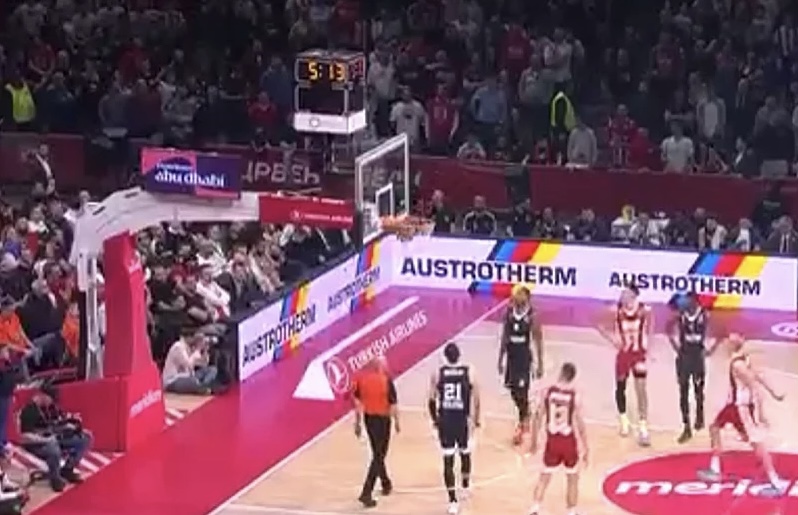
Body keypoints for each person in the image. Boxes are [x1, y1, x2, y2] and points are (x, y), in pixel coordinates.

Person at [697, 333, 787, 497]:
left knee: (757, 443)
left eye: (732, 338)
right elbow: (758, 376)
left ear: (738, 342)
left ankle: (776, 482)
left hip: (741, 407)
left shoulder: (738, 364)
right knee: (714, 427)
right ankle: (715, 468)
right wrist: (774, 392)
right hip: (732, 406)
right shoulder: (743, 359)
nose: (728, 340)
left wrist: (762, 413)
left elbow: (755, 386)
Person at [428, 342, 481, 515]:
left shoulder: (438, 373)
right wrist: (476, 420)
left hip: (446, 421)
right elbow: (476, 400)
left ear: (445, 357)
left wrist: (436, 420)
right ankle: (465, 486)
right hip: (462, 421)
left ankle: (452, 501)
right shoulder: (469, 372)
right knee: (465, 454)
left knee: (448, 460)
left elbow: (431, 400)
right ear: (459, 356)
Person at [529, 362, 587, 515]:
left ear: (561, 373)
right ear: (572, 378)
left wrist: (533, 441)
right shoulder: (574, 395)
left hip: (552, 440)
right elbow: (580, 424)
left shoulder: (548, 392)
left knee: (544, 477)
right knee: (572, 478)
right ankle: (571, 511)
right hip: (568, 441)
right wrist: (586, 447)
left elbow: (537, 417)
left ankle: (535, 508)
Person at [598, 284, 651, 446]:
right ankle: (624, 420)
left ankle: (643, 427)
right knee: (620, 387)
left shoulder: (644, 310)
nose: (622, 295)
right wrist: (612, 340)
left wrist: (648, 345)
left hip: (638, 353)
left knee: (641, 389)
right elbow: (599, 324)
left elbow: (651, 328)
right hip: (623, 354)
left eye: (626, 293)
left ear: (634, 295)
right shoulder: (616, 311)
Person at [19, 382, 92, 492]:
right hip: (37, 443)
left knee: (85, 438)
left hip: (55, 437)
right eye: (51, 398)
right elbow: (25, 437)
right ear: (42, 395)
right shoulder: (29, 410)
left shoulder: (51, 407)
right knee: (53, 446)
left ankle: (67, 470)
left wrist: (71, 427)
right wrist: (46, 439)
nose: (52, 401)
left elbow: (59, 422)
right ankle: (55, 478)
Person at [666, 292, 718, 443]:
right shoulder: (680, 315)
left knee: (698, 390)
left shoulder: (704, 315)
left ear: (695, 302)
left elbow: (720, 331)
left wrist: (712, 349)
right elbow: (668, 328)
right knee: (683, 392)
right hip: (684, 357)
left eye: (688, 302)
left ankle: (699, 416)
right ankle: (686, 427)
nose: (685, 304)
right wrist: (674, 345)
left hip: (697, 357)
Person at [497, 284, 543, 445]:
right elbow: (505, 336)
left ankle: (522, 422)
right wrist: (500, 359)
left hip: (523, 359)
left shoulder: (532, 316)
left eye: (520, 295)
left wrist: (540, 364)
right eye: (516, 295)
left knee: (522, 392)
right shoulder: (509, 313)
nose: (516, 298)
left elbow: (538, 340)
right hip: (511, 357)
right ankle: (525, 413)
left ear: (527, 298)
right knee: (513, 391)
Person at [352, 355, 399, 508]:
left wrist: (357, 423)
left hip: (369, 419)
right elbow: (393, 404)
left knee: (377, 453)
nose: (387, 366)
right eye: (385, 364)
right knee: (379, 455)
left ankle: (385, 483)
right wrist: (397, 422)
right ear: (379, 366)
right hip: (383, 420)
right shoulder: (386, 381)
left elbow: (357, 403)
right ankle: (366, 492)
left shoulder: (362, 380)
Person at [162, 330, 218, 395]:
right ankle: (203, 387)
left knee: (213, 369)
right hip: (173, 380)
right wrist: (198, 349)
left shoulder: (190, 347)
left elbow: (204, 364)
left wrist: (205, 349)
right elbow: (188, 365)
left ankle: (203, 387)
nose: (194, 339)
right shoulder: (178, 347)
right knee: (193, 381)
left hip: (188, 376)